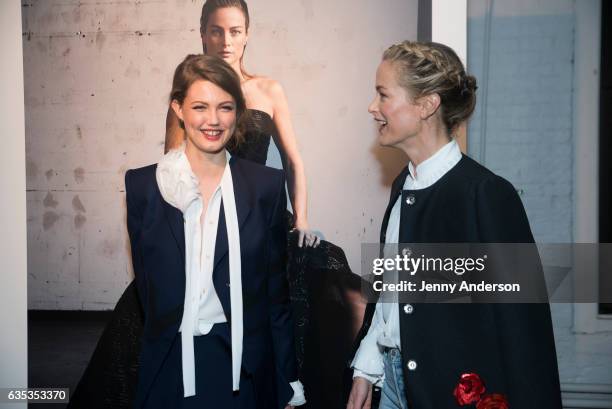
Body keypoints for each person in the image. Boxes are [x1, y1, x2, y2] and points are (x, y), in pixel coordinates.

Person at [345, 41, 562, 409]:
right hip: (392, 384)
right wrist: (366, 367)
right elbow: (391, 295)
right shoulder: (402, 185)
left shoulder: (487, 195)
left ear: (427, 104)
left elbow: (525, 332)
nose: (372, 107)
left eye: (383, 95)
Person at [127, 54, 303, 408]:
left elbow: (275, 298)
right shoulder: (143, 186)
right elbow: (147, 290)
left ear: (238, 112)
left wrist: (288, 379)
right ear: (178, 109)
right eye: (199, 107)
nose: (212, 120)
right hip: (168, 367)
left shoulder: (265, 187)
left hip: (241, 367)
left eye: (225, 107)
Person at [165, 0, 318, 248]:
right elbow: (173, 168)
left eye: (235, 31)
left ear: (246, 35)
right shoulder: (186, 95)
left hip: (259, 219)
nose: (226, 41)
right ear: (203, 33)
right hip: (205, 222)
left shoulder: (268, 90)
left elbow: (293, 162)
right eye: (217, 31)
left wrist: (301, 220)